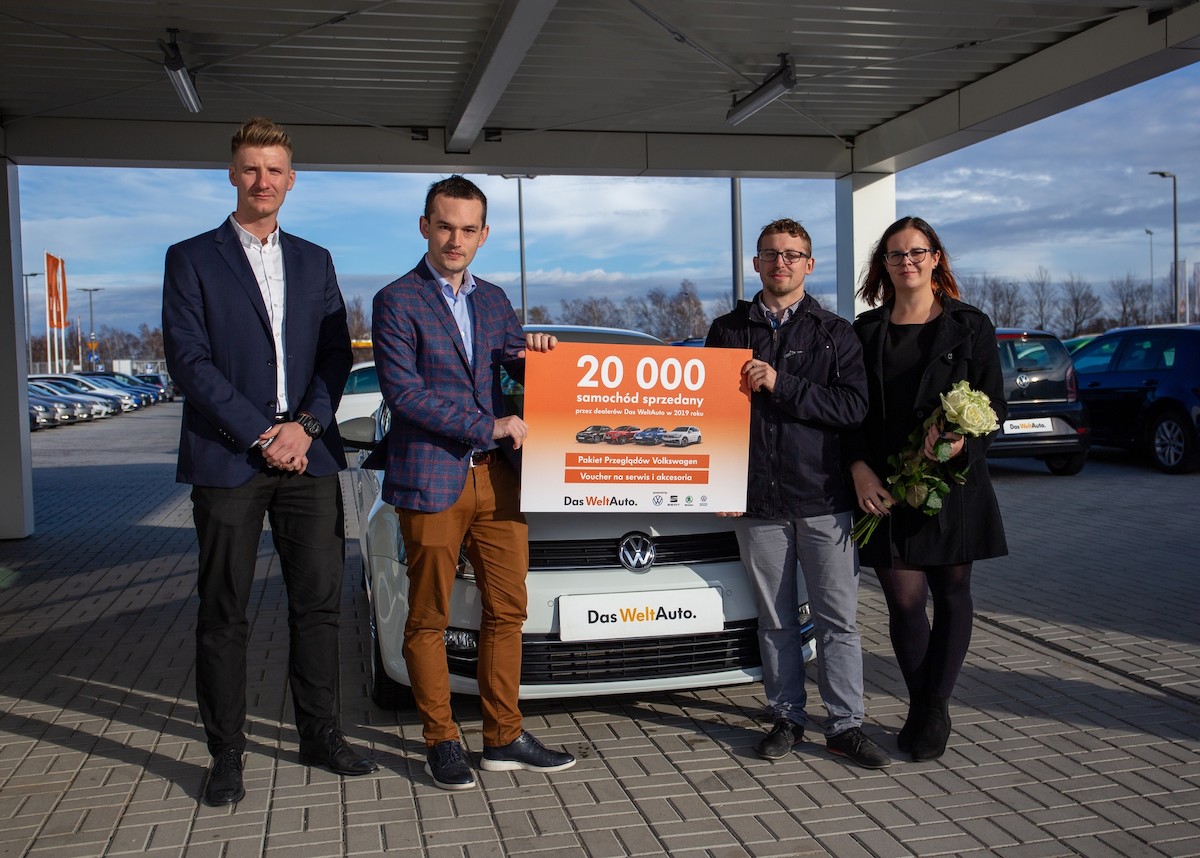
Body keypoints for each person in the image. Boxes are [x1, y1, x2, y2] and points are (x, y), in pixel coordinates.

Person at [163, 117, 376, 807]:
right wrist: (264, 432)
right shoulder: (191, 257)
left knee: (317, 605)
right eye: (252, 168)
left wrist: (306, 428)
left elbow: (335, 355)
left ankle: (321, 735)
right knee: (223, 612)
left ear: (291, 179)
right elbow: (190, 364)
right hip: (228, 460)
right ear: (233, 173)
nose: (264, 181)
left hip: (307, 460)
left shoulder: (314, 260)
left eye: (276, 170)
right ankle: (226, 755)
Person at [371, 175, 574, 791]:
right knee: (428, 616)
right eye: (444, 225)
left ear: (484, 235)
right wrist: (489, 423)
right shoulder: (395, 300)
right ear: (425, 226)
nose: (455, 239)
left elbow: (514, 357)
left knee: (508, 609)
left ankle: (503, 737)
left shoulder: (492, 300)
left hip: (498, 481)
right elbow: (404, 396)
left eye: (467, 229)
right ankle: (441, 740)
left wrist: (539, 350)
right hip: (432, 477)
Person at [705, 218, 891, 770]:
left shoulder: (836, 332)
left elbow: (852, 408)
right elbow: (704, 412)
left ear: (810, 265)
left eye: (793, 255)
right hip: (756, 501)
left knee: (837, 620)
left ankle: (846, 725)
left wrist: (781, 385)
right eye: (770, 254)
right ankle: (786, 714)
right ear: (756, 264)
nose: (780, 263)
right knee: (777, 620)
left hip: (823, 498)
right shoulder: (726, 330)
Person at [848, 215, 1007, 762]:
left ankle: (930, 710)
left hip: (952, 487)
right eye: (895, 254)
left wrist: (963, 443)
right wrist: (858, 468)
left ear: (936, 257)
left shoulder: (970, 326)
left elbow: (995, 406)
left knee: (952, 594)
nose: (907, 261)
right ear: (883, 265)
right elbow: (849, 415)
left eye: (917, 252)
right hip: (888, 489)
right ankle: (927, 705)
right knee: (904, 601)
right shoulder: (865, 332)